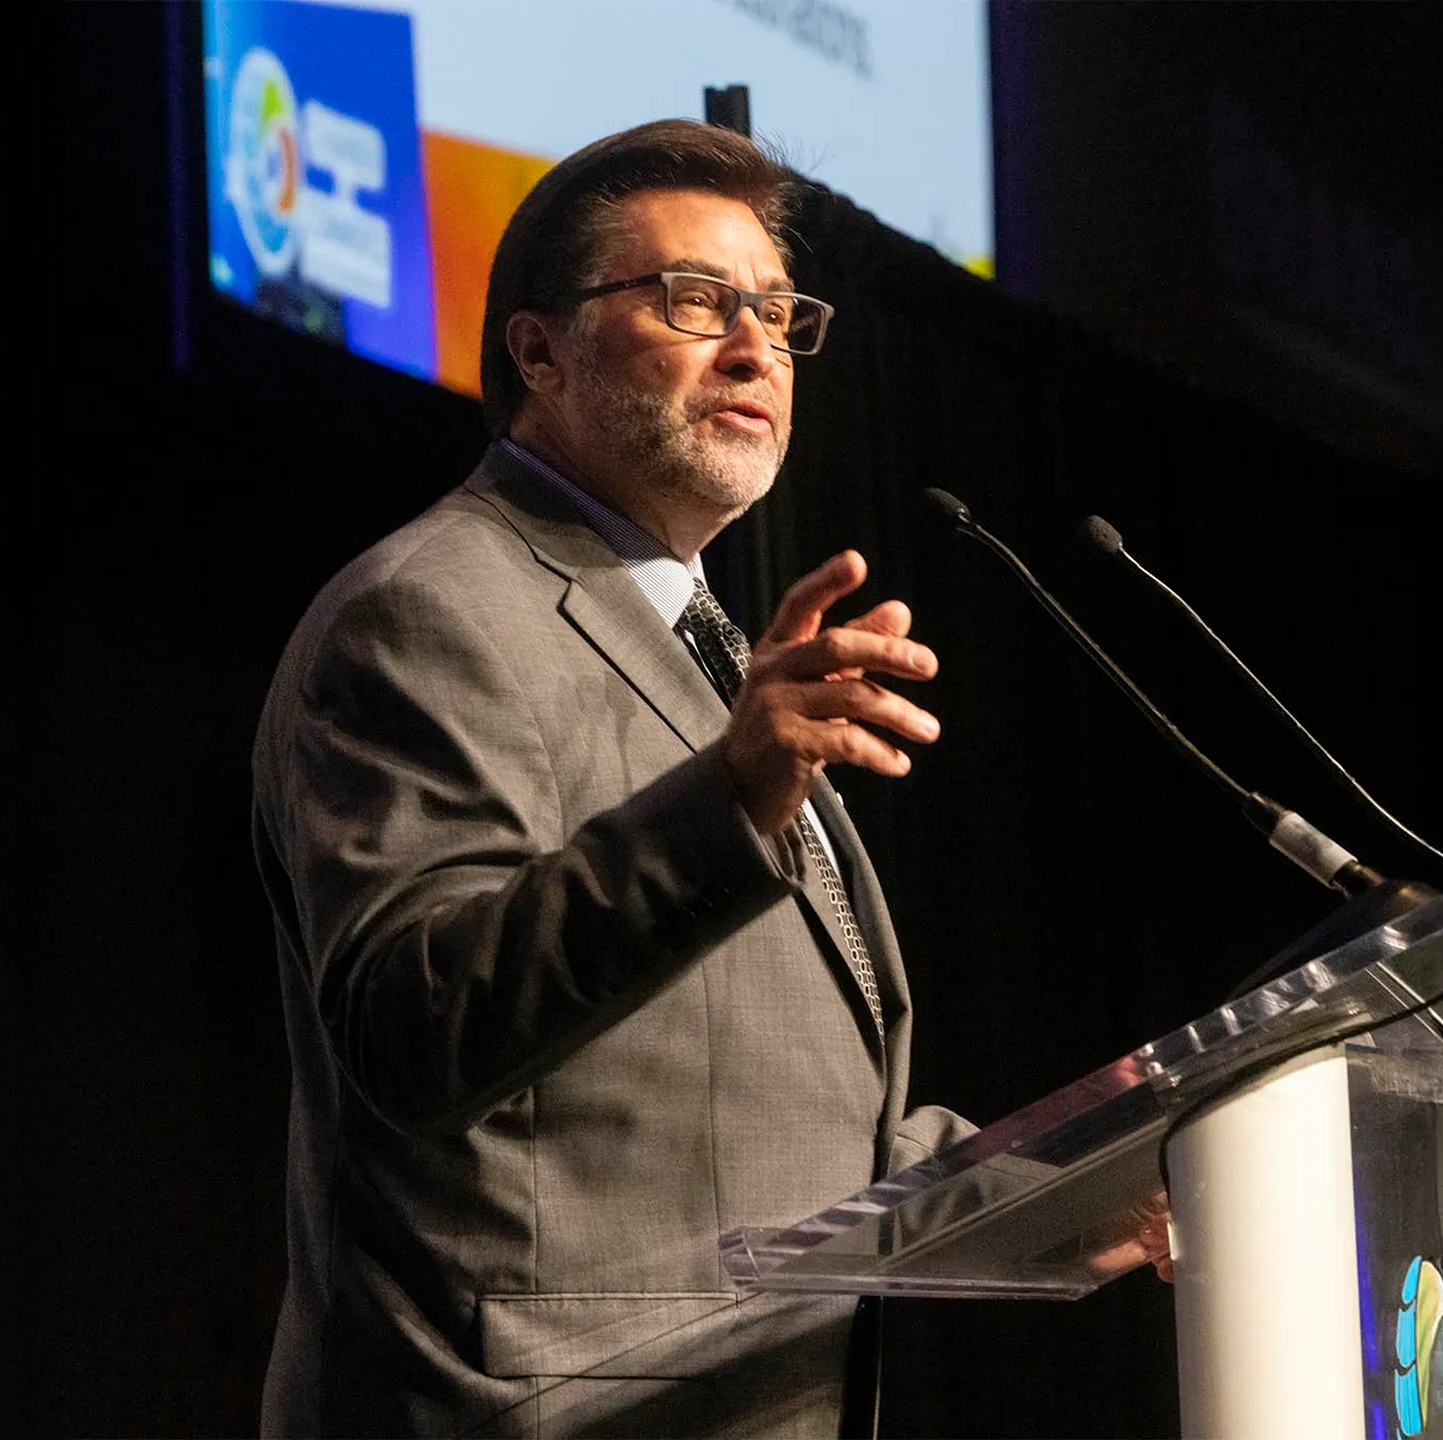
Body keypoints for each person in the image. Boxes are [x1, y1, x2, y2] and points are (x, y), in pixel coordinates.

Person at [251, 118, 970, 1438]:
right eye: (695, 303)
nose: (756, 346)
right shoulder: (427, 611)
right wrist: (733, 794)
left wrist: (1031, 1187)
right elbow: (413, 1026)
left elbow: (750, 1110)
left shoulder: (708, 655)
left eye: (774, 311)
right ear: (540, 347)